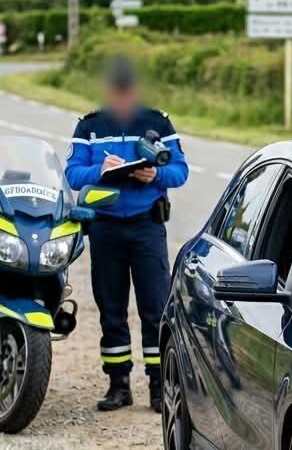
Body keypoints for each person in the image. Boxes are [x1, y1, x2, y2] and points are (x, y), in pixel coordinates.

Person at [65, 57, 189, 413]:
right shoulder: (89, 125)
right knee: (111, 308)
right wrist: (99, 170)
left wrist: (156, 177)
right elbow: (73, 174)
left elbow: (180, 171)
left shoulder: (156, 121)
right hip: (104, 227)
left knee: (154, 308)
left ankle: (158, 386)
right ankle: (118, 384)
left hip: (146, 226)